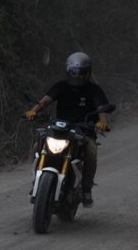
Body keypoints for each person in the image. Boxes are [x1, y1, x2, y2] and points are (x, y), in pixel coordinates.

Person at [24, 52, 110, 207]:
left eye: (80, 72)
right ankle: (36, 180)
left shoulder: (94, 90)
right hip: (60, 128)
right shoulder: (61, 86)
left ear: (87, 72)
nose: (77, 76)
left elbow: (101, 109)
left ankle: (86, 190)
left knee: (91, 152)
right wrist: (33, 111)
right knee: (38, 145)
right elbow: (45, 101)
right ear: (68, 71)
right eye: (73, 72)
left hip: (84, 131)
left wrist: (102, 123)